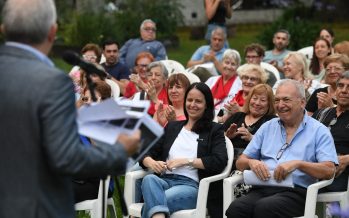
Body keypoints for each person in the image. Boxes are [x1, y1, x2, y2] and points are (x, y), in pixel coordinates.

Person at [0, 0, 140, 217]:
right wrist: (120, 150)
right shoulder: (53, 83)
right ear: (52, 31)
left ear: (3, 29)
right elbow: (66, 157)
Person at [225, 79, 338, 218]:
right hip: (263, 187)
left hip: (297, 192)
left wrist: (298, 164)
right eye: (277, 100)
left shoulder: (319, 130)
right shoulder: (268, 127)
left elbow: (329, 170)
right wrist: (251, 162)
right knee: (236, 208)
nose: (280, 105)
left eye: (286, 100)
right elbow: (240, 162)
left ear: (302, 102)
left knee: (265, 208)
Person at [139, 82, 228, 218]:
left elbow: (219, 161)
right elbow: (146, 152)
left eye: (198, 101)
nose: (192, 104)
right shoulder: (173, 126)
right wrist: (150, 162)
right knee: (149, 179)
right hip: (164, 180)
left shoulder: (214, 130)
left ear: (207, 105)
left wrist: (187, 161)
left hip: (191, 186)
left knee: (156, 201)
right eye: (189, 100)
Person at [223, 84, 276, 169]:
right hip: (226, 162)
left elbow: (274, 147)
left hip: (252, 167)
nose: (257, 103)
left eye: (262, 100)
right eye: (254, 98)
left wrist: (252, 138)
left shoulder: (272, 121)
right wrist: (227, 136)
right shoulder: (237, 116)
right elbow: (217, 140)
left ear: (269, 104)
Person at [313, 71, 349, 192]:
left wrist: (347, 159)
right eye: (341, 86)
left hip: (339, 174)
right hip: (313, 167)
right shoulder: (322, 113)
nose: (344, 90)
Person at [205, 49, 242, 114]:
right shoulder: (211, 80)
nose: (229, 67)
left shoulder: (240, 83)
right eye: (227, 62)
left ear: (237, 67)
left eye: (233, 64)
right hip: (206, 114)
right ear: (222, 63)